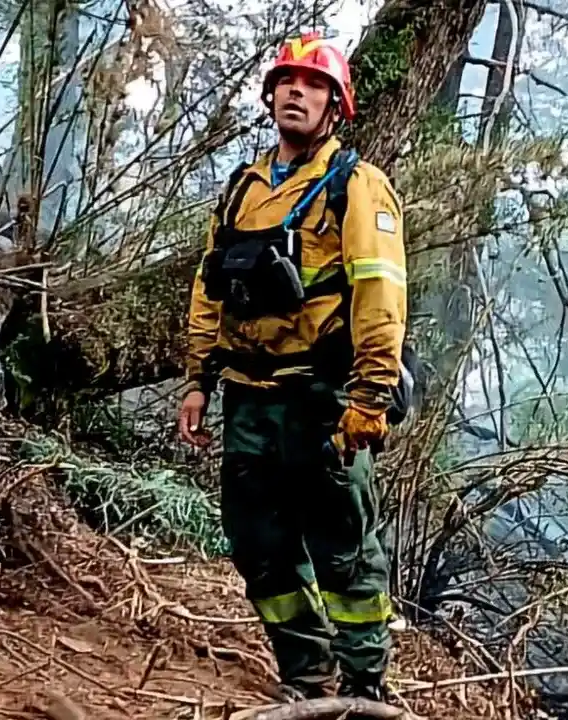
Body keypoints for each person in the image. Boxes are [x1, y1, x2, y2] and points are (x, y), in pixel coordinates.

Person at [177, 30, 407, 707]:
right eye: (287, 82)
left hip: (323, 401)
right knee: (260, 547)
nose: (296, 93)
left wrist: (370, 397)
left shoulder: (357, 187)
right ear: (270, 95)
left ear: (336, 106)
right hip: (248, 400)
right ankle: (305, 678)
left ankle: (365, 689)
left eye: (313, 85)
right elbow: (207, 288)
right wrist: (198, 380)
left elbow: (380, 295)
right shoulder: (243, 190)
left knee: (343, 551)